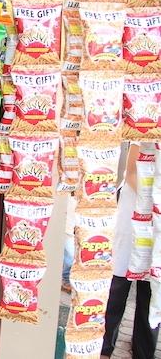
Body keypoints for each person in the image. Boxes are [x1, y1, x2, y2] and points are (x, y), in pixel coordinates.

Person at [101, 142, 159, 359]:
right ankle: (104, 350)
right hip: (132, 215)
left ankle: (143, 353)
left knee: (151, 293)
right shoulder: (146, 124)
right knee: (116, 289)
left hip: (157, 227)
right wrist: (153, 200)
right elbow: (131, 173)